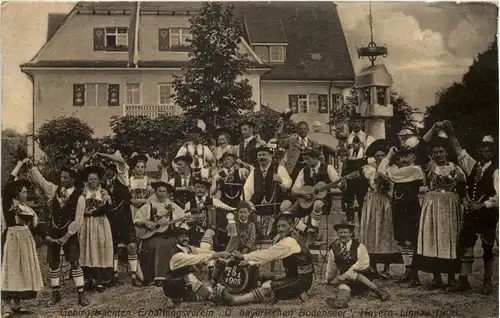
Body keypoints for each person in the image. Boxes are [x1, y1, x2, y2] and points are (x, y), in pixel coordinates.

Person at [26, 159, 89, 306]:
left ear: (72, 179)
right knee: (54, 263)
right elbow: (42, 181)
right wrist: (31, 168)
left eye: (66, 177)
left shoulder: (79, 198)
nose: (62, 179)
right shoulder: (54, 191)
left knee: (74, 262)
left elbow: (78, 221)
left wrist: (67, 236)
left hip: (70, 234)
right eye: (61, 177)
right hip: (54, 232)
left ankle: (81, 294)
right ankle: (55, 293)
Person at [446, 121, 498, 294]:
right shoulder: (473, 165)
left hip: (487, 214)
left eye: (489, 149)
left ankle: (487, 281)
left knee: (488, 248)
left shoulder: (497, 171)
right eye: (483, 149)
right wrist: (451, 132)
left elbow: (499, 197)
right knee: (465, 245)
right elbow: (459, 151)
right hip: (470, 214)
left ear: (494, 151)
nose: (485, 152)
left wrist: (483, 204)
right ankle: (463, 280)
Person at [218, 212, 314, 305]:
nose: (280, 229)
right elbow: (268, 255)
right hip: (295, 277)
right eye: (278, 226)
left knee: (266, 286)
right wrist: (248, 262)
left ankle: (235, 300)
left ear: (291, 227)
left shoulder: (289, 242)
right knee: (264, 275)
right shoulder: (292, 237)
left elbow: (267, 254)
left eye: (284, 226)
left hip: (301, 280)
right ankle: (297, 292)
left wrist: (244, 256)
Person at [412, 134, 466, 289]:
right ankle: (436, 277)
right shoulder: (429, 167)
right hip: (433, 205)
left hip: (450, 205)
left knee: (449, 239)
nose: (438, 154)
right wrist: (433, 130)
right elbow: (420, 148)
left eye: (441, 151)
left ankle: (450, 277)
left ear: (446, 152)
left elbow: (462, 187)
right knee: (433, 238)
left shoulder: (456, 168)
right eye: (435, 152)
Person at [378, 142, 424, 286]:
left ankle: (415, 274)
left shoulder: (415, 169)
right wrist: (390, 155)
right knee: (402, 241)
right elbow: (381, 171)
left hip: (411, 209)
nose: (404, 159)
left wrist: (389, 156)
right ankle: (408, 271)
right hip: (398, 207)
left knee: (412, 241)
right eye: (402, 156)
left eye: (407, 156)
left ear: (414, 157)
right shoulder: (398, 170)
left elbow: (384, 171)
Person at [1, 161, 44, 317]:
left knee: (21, 269)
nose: (26, 194)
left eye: (26, 191)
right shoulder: (9, 204)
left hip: (25, 240)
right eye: (24, 192)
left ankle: (17, 304)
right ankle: (5, 305)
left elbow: (37, 227)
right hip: (13, 238)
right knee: (10, 269)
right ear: (17, 193)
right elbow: (7, 187)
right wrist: (19, 166)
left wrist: (51, 237)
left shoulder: (28, 209)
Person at [95, 152, 140, 287]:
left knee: (131, 245)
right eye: (106, 169)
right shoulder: (101, 184)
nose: (108, 171)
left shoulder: (122, 178)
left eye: (110, 169)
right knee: (112, 246)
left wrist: (102, 154)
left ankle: (134, 275)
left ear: (115, 169)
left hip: (125, 217)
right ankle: (114, 275)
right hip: (110, 218)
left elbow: (120, 160)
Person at [359, 139, 401, 278]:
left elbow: (391, 182)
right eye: (377, 156)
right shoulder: (368, 168)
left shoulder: (393, 169)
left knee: (385, 232)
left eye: (382, 155)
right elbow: (376, 180)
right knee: (371, 232)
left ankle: (387, 267)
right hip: (372, 201)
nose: (379, 158)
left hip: (385, 202)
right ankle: (372, 267)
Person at [283, 148, 342, 245]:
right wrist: (302, 193)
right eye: (305, 159)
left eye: (308, 159)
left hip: (323, 201)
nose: (306, 161)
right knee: (286, 214)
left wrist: (340, 185)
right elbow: (294, 189)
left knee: (317, 204)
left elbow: (337, 182)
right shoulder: (304, 171)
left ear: (316, 158)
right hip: (305, 201)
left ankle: (313, 230)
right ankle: (305, 229)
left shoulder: (328, 168)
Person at [325, 221, 390, 309]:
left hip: (364, 279)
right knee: (343, 286)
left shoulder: (359, 246)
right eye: (340, 232)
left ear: (351, 233)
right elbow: (332, 267)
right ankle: (341, 302)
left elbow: (363, 263)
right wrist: (329, 280)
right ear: (337, 234)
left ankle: (379, 291)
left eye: (345, 232)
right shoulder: (334, 250)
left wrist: (347, 274)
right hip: (348, 281)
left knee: (354, 274)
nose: (343, 235)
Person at [163, 224, 232, 307]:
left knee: (210, 265)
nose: (184, 238)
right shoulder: (176, 255)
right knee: (190, 276)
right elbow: (196, 258)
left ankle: (208, 291)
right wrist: (217, 254)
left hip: (186, 284)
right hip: (173, 285)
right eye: (181, 236)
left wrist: (219, 256)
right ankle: (212, 298)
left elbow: (205, 252)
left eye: (186, 236)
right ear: (176, 239)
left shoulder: (190, 248)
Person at [133, 181, 185, 289]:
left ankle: (162, 277)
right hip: (151, 236)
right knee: (153, 244)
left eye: (164, 191)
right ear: (155, 192)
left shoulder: (173, 206)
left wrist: (181, 222)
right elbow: (137, 221)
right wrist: (146, 222)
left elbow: (182, 220)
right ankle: (150, 277)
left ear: (168, 193)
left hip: (168, 236)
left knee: (165, 244)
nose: (161, 194)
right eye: (159, 191)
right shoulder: (149, 206)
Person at [243, 145, 292, 239]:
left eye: (264, 155)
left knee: (285, 208)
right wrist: (248, 201)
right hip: (260, 203)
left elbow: (289, 183)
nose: (261, 157)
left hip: (276, 201)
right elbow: (247, 188)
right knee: (247, 209)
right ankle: (257, 235)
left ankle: (279, 233)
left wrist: (280, 180)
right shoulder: (254, 171)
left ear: (270, 156)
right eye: (259, 155)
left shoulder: (278, 168)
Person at [79, 166, 114, 292]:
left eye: (94, 179)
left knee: (99, 248)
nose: (91, 181)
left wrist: (92, 213)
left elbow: (106, 209)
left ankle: (100, 280)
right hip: (86, 224)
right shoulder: (83, 192)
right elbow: (78, 207)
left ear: (99, 180)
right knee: (87, 248)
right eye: (90, 179)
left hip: (99, 223)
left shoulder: (103, 193)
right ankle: (88, 279)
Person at [128, 153, 153, 220]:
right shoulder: (130, 180)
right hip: (133, 208)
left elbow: (151, 197)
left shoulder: (148, 180)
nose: (140, 169)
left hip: (145, 207)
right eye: (138, 167)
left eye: (142, 167)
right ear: (134, 168)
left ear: (145, 169)